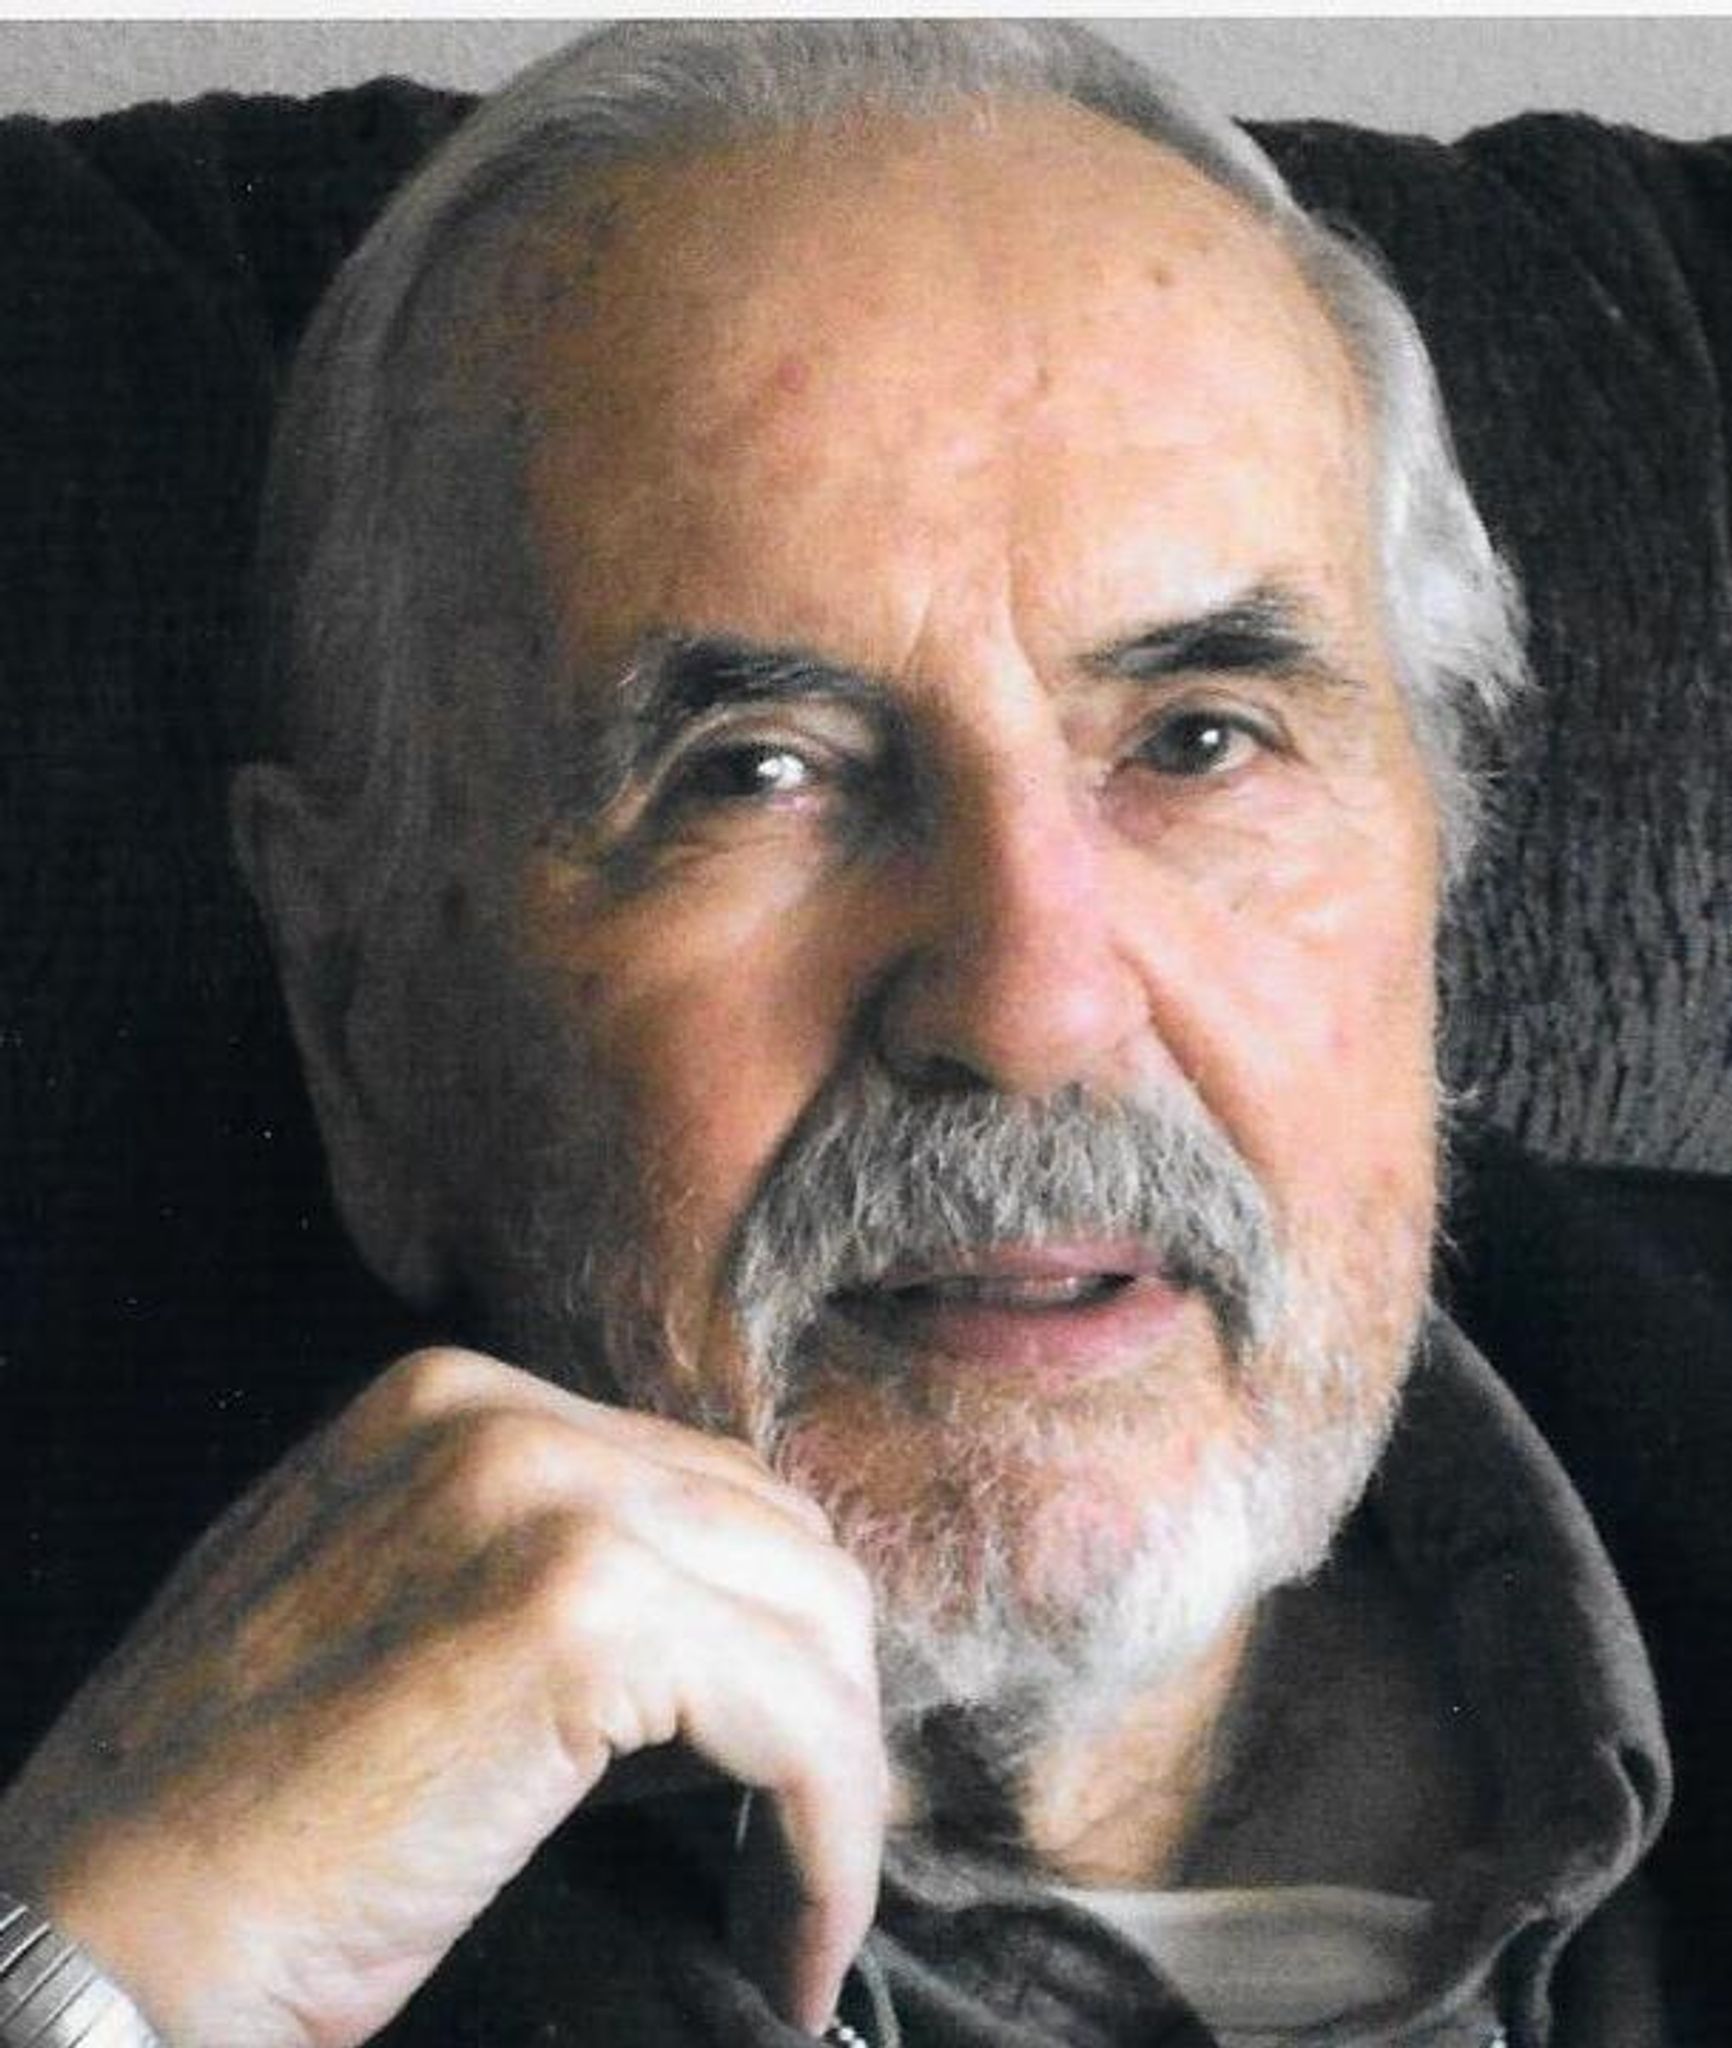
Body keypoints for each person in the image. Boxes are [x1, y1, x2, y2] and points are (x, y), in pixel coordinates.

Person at [0, 22, 1690, 2047]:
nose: (1031, 1004)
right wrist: (87, 1985)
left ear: (1441, 852)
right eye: (758, 770)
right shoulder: (105, 1803)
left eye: (1199, 739)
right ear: (357, 1002)